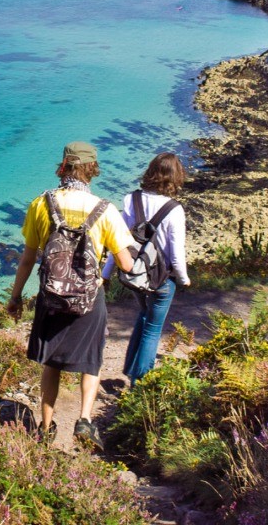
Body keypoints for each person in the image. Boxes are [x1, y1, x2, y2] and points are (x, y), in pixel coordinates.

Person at [7, 141, 135, 450]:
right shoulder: (105, 209)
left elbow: (27, 259)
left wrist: (14, 298)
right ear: (92, 169)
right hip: (90, 299)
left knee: (51, 361)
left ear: (63, 166)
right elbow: (126, 263)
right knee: (91, 361)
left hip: (51, 296)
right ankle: (84, 421)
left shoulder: (42, 203)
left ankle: (46, 427)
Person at [108, 152, 191, 386]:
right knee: (153, 328)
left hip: (136, 274)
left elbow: (119, 241)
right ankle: (140, 382)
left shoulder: (130, 200)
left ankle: (130, 368)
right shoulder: (174, 209)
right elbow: (176, 252)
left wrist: (106, 274)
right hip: (162, 278)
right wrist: (184, 279)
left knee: (144, 316)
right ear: (175, 177)